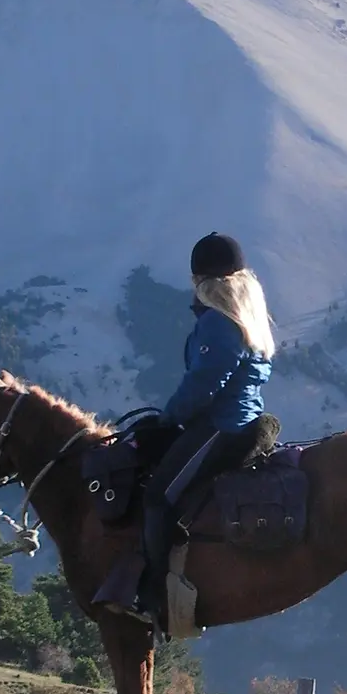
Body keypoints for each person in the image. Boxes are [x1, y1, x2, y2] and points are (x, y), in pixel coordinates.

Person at [98, 232, 276, 626]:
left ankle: (153, 598)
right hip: (239, 418)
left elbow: (204, 385)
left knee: (159, 495)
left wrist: (168, 417)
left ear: (204, 283)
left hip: (221, 425)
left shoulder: (218, 322)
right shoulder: (250, 318)